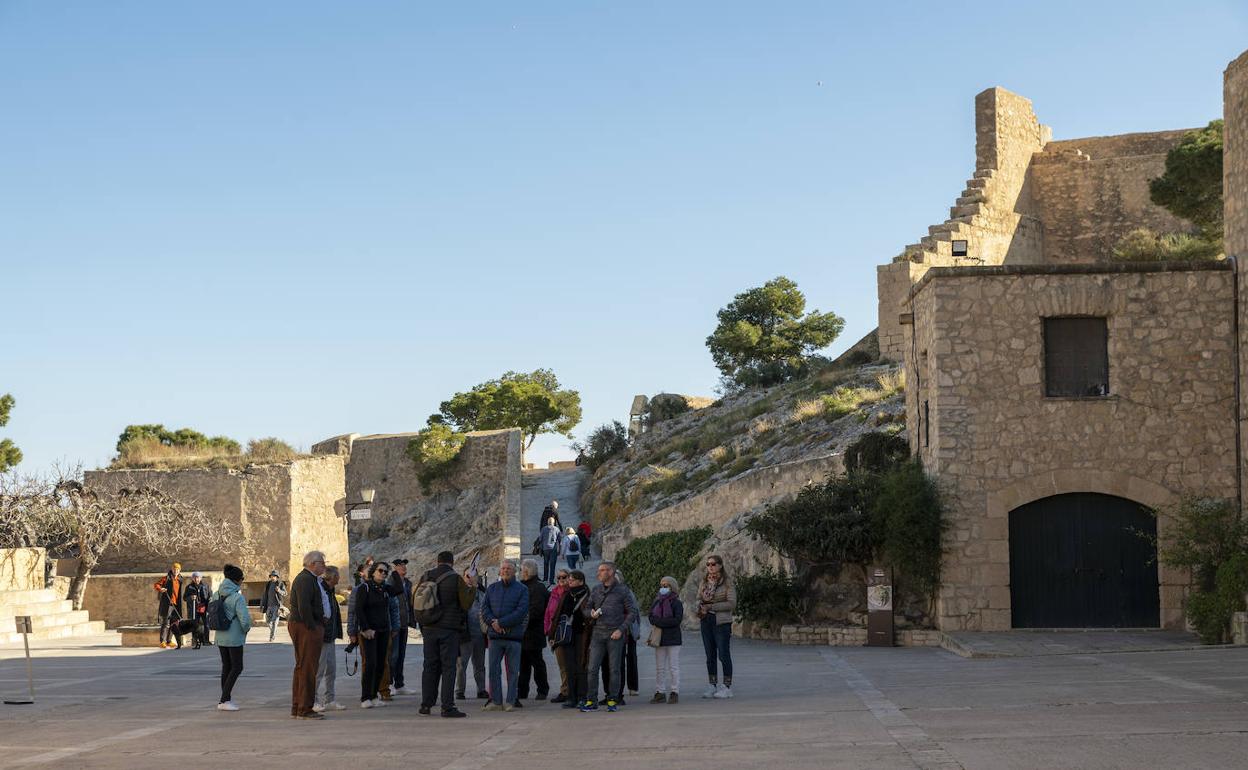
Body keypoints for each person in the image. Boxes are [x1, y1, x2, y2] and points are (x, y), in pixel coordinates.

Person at [418, 550, 476, 718]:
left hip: (428, 628)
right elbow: (465, 604)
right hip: (448, 630)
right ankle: (447, 706)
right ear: (452, 562)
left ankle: (425, 705)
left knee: (429, 666)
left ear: (437, 561)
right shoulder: (455, 578)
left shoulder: (426, 576)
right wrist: (470, 587)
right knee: (448, 667)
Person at [581, 562, 638, 712]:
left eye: (602, 570)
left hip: (615, 634)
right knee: (592, 668)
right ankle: (591, 700)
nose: (598, 573)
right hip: (598, 634)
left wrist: (621, 629)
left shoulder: (622, 591)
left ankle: (613, 699)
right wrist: (590, 614)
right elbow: (586, 609)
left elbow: (632, 612)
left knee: (614, 669)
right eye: (599, 570)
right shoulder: (596, 589)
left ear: (611, 572)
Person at [481, 560, 529, 712]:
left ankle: (510, 701)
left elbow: (521, 612)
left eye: (509, 568)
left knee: (514, 672)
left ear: (515, 571)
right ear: (499, 571)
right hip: (495, 637)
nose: (505, 570)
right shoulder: (492, 588)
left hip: (513, 637)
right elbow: (484, 608)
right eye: (503, 568)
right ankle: (495, 701)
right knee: (493, 670)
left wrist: (501, 623)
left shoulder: (522, 589)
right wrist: (493, 623)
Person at [288, 550, 329, 719]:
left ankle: (298, 706)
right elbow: (304, 606)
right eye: (322, 562)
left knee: (303, 666)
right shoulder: (305, 579)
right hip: (306, 627)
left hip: (307, 626)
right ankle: (304, 708)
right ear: (313, 563)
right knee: (307, 668)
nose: (324, 566)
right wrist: (313, 626)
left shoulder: (311, 579)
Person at [354, 561, 400, 708]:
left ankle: (374, 695)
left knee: (381, 663)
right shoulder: (364, 588)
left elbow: (399, 589)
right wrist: (365, 628)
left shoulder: (385, 588)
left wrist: (394, 571)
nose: (383, 574)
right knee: (371, 663)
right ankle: (365, 697)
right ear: (373, 572)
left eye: (385, 572)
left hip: (383, 631)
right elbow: (359, 610)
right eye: (380, 571)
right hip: (369, 632)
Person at [697, 554, 736, 699]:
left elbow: (732, 603)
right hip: (706, 620)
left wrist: (712, 606)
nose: (710, 567)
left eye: (713, 564)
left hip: (721, 622)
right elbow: (697, 598)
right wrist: (700, 605)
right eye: (708, 564)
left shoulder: (727, 582)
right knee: (710, 655)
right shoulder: (704, 582)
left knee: (723, 654)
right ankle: (712, 684)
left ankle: (726, 686)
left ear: (720, 565)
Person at [213, 564, 251, 711]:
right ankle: (224, 700)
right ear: (236, 580)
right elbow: (244, 619)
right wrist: (246, 629)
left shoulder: (217, 594)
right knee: (237, 667)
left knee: (226, 667)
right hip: (234, 637)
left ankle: (226, 700)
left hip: (220, 635)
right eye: (242, 579)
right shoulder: (237, 597)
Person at [600, 570, 641, 703]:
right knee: (606, 665)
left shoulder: (626, 593)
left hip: (621, 633)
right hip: (604, 633)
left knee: (617, 665)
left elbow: (633, 613)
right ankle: (608, 694)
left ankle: (617, 695)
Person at [516, 559, 550, 705]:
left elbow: (536, 611)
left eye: (521, 571)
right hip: (523, 633)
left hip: (533, 632)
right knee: (523, 664)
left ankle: (542, 690)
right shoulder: (521, 587)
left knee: (537, 663)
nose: (520, 573)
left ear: (527, 572)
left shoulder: (538, 588)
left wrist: (520, 621)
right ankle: (522, 691)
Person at [313, 565, 346, 713]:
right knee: (319, 670)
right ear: (331, 578)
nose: (339, 578)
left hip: (330, 637)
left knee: (331, 669)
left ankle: (330, 699)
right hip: (322, 637)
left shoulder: (330, 591)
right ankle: (313, 700)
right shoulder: (320, 591)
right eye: (337, 576)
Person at [555, 570, 590, 709]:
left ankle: (582, 696)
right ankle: (571, 697)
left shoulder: (587, 594)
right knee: (569, 666)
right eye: (569, 580)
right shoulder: (567, 595)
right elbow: (559, 614)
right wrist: (553, 634)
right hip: (568, 635)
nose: (570, 582)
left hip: (582, 634)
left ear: (581, 581)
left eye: (572, 580)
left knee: (581, 665)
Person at [648, 575, 684, 703]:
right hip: (660, 638)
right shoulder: (657, 601)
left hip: (673, 638)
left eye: (666, 585)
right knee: (660, 667)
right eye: (662, 585)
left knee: (673, 667)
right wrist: (661, 621)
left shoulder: (676, 603)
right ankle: (660, 691)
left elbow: (676, 620)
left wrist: (660, 622)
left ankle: (675, 691)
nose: (663, 587)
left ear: (672, 587)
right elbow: (651, 616)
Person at [387, 558, 416, 696]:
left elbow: (409, 603)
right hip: (394, 625)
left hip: (404, 623)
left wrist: (412, 620)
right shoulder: (390, 582)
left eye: (405, 565)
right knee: (393, 655)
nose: (404, 567)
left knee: (401, 655)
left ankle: (399, 684)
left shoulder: (408, 583)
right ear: (395, 568)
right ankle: (389, 684)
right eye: (400, 565)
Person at [456, 575, 487, 701]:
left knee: (479, 664)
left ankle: (481, 690)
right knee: (461, 664)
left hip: (479, 634)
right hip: (465, 635)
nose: (470, 578)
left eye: (473, 576)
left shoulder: (482, 594)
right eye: (467, 576)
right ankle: (459, 691)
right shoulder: (459, 594)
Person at [544, 569, 571, 703]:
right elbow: (548, 613)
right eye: (559, 578)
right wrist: (548, 632)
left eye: (564, 577)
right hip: (556, 633)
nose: (561, 580)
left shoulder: (571, 593)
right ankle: (565, 690)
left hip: (569, 633)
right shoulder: (554, 593)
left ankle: (568, 690)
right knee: (562, 665)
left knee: (570, 663)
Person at [153, 562, 182, 649]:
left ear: (179, 570)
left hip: (176, 604)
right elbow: (156, 584)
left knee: (174, 623)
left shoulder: (180, 579)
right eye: (174, 569)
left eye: (177, 569)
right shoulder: (167, 578)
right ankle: (163, 641)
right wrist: (161, 589)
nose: (176, 571)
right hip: (167, 604)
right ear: (172, 569)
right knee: (165, 623)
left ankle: (169, 641)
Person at [184, 571, 212, 648]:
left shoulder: (206, 586)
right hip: (194, 608)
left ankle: (206, 640)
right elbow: (184, 598)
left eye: (198, 577)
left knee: (206, 624)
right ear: (192, 578)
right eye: (195, 577)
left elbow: (210, 595)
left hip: (204, 607)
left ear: (201, 578)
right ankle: (195, 641)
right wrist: (191, 598)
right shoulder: (189, 587)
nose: (196, 579)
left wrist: (209, 600)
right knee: (194, 625)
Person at [261, 571, 287, 642]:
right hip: (269, 606)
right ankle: (273, 631)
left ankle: (272, 637)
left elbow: (285, 593)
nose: (272, 577)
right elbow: (265, 595)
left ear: (277, 577)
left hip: (277, 606)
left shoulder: (280, 584)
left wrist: (279, 590)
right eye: (271, 576)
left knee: (274, 621)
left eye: (274, 576)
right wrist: (262, 604)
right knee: (268, 621)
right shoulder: (268, 584)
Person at [540, 517, 561, 584]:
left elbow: (540, 539)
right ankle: (551, 580)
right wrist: (559, 550)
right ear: (554, 522)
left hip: (545, 548)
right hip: (553, 549)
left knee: (546, 564)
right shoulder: (557, 529)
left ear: (547, 522)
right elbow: (560, 540)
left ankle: (545, 578)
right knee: (552, 565)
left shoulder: (543, 529)